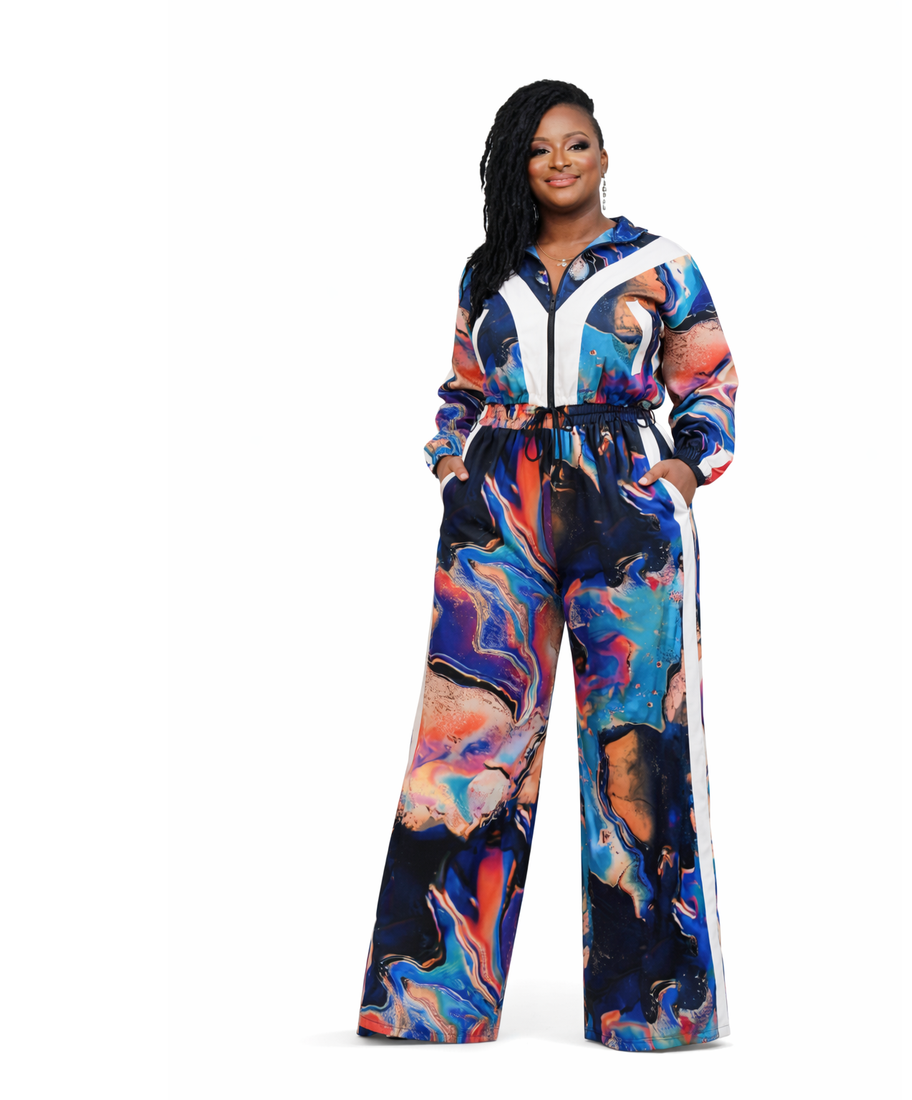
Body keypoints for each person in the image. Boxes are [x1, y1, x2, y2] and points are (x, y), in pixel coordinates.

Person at [356, 79, 738, 1053]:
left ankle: (649, 1006)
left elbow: (708, 380)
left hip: (624, 507)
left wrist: (682, 472)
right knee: (467, 744)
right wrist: (452, 464)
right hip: (497, 513)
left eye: (575, 143)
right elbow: (460, 386)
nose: (558, 161)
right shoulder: (490, 269)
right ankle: (429, 997)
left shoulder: (659, 263)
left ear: (604, 155)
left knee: (635, 743)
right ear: (518, 167)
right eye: (538, 149)